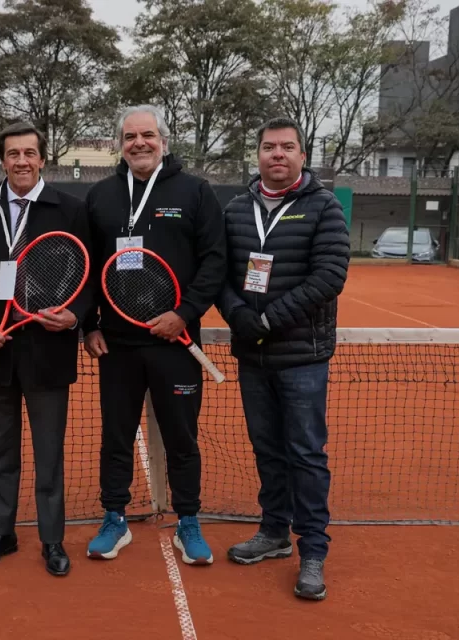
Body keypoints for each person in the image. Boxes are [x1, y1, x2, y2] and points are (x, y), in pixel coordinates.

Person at [82, 104, 227, 565]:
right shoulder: (101, 196)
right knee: (116, 436)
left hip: (175, 343)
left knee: (182, 438)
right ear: (119, 145)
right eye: (129, 137)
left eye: (147, 135)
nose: (138, 143)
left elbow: (215, 261)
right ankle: (114, 518)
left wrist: (183, 314)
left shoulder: (195, 191)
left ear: (164, 140)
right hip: (118, 345)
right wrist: (89, 325)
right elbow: (85, 268)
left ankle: (188, 521)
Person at [0, 122, 91, 577]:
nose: (22, 161)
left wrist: (76, 317)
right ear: (3, 160)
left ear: (43, 158)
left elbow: (90, 277)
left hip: (49, 353)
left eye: (30, 153)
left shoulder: (70, 209)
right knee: (1, 453)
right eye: (13, 154)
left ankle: (52, 540)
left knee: (49, 455)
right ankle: (1, 532)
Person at [217, 116, 350, 600]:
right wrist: (236, 313)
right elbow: (220, 273)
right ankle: (274, 532)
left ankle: (312, 549)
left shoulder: (324, 208)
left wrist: (269, 319)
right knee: (268, 449)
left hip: (303, 358)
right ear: (257, 155)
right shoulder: (233, 210)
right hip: (252, 357)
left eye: (287, 147)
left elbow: (330, 275)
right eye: (269, 147)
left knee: (306, 454)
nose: (278, 154)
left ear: (302, 156)